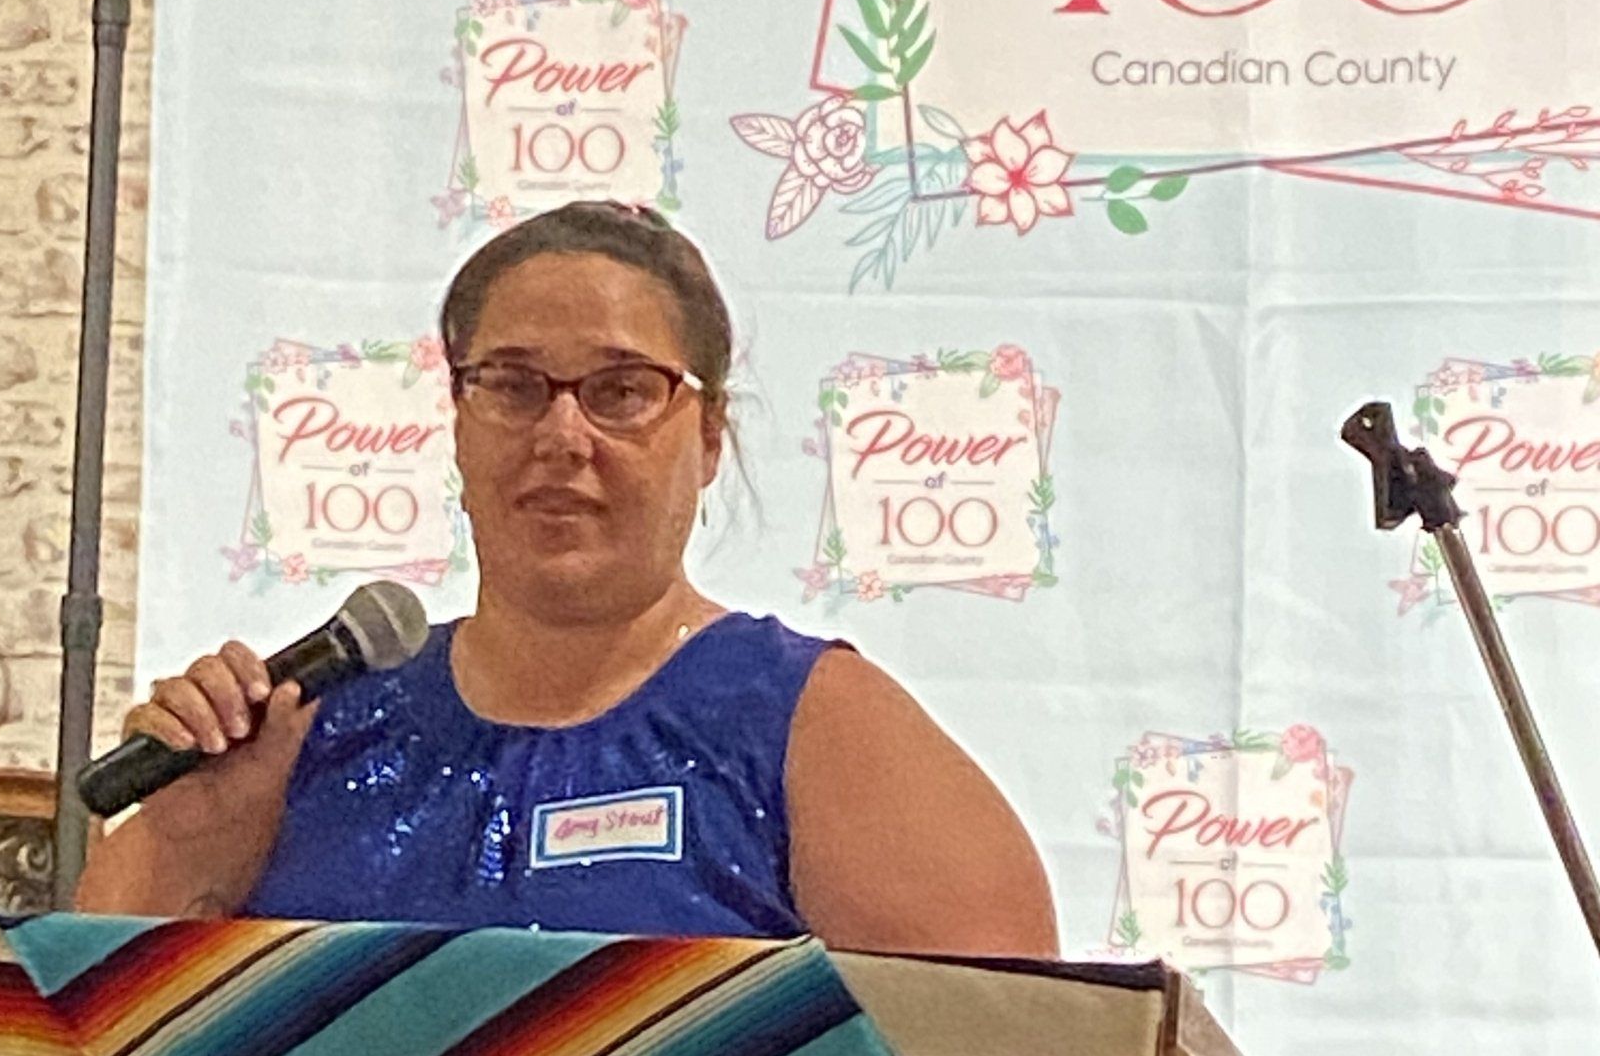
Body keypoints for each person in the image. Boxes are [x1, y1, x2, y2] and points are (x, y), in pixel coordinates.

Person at [77, 202, 1057, 955]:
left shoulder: (811, 721)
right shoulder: (308, 726)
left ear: (709, 438)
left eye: (621, 390)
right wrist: (196, 845)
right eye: (511, 385)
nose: (561, 435)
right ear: (456, 422)